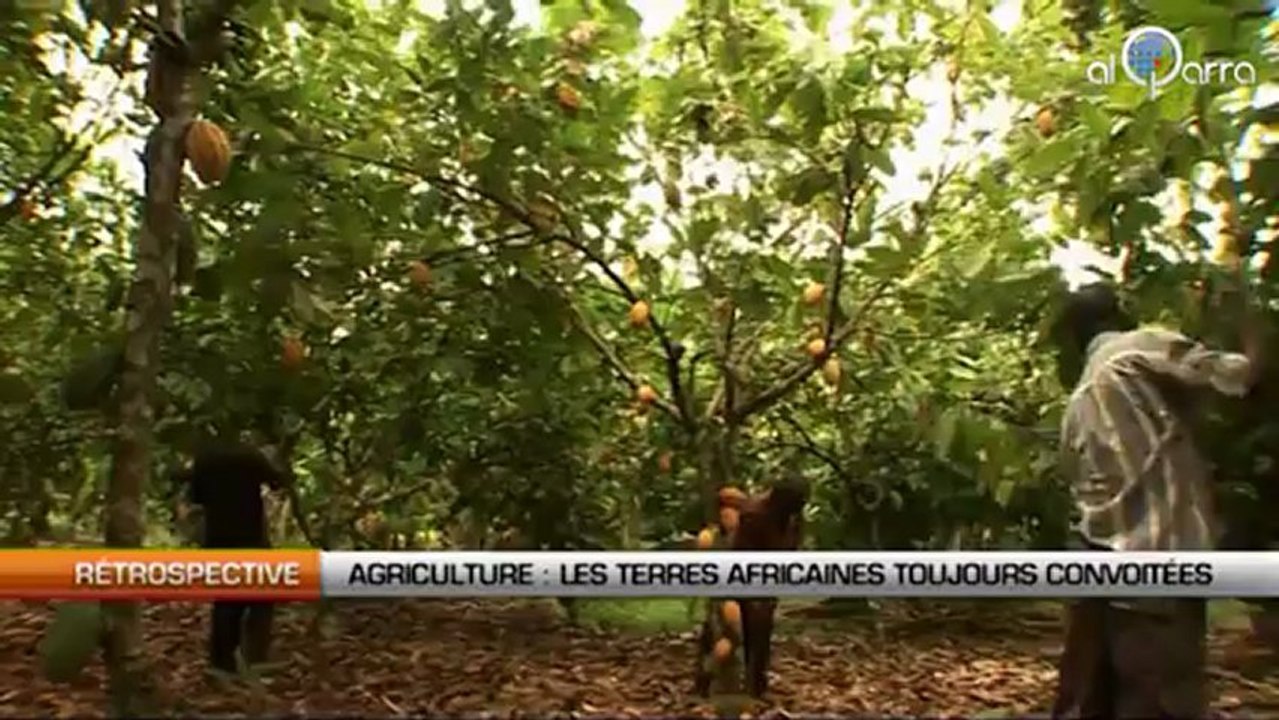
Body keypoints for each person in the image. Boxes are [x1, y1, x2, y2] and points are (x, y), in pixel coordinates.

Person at [1049, 282, 1263, 719]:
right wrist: (1252, 325)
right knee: (1161, 701)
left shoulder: (1078, 404)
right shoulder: (1137, 347)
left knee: (1090, 699)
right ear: (1116, 317)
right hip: (1159, 557)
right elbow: (1238, 374)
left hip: (1095, 563)